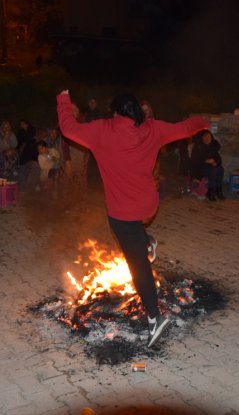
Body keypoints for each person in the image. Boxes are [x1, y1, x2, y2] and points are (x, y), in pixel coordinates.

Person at [57, 90, 208, 347]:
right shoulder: (152, 128)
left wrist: (62, 99)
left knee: (138, 267)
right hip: (148, 206)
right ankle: (146, 242)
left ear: (115, 112)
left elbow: (68, 128)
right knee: (135, 230)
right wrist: (203, 121)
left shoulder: (102, 130)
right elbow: (183, 128)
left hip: (123, 212)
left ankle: (154, 318)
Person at [190, 130, 225, 201]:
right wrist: (206, 161)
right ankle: (210, 191)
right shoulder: (198, 147)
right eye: (205, 137)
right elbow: (195, 160)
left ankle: (218, 190)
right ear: (202, 138)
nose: (207, 139)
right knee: (213, 170)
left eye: (209, 137)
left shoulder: (213, 147)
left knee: (220, 169)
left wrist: (215, 162)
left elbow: (218, 158)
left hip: (210, 166)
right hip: (200, 168)